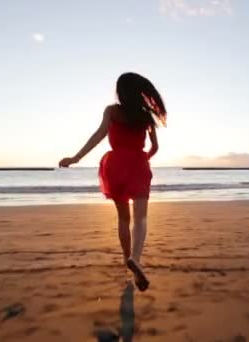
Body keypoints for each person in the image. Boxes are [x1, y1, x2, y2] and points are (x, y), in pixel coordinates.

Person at [58, 72, 167, 291]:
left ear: (121, 91)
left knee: (123, 219)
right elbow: (155, 147)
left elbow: (97, 136)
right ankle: (135, 259)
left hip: (115, 165)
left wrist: (75, 158)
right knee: (141, 218)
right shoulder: (146, 116)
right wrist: (143, 159)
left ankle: (127, 260)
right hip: (138, 164)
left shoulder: (112, 111)